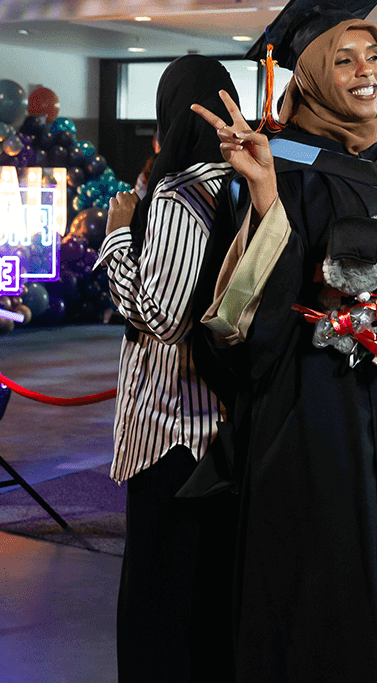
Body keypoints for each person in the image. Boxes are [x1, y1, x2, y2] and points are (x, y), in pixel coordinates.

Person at [187, 0, 377, 682]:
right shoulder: (276, 161)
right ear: (307, 75)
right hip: (314, 407)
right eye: (343, 59)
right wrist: (265, 199)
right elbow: (238, 317)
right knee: (322, 570)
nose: (365, 70)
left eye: (372, 56)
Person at [97, 55, 242, 683]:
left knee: (162, 591)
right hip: (223, 420)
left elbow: (159, 316)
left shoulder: (187, 193)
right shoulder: (244, 181)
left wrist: (119, 234)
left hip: (174, 426)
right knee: (208, 590)